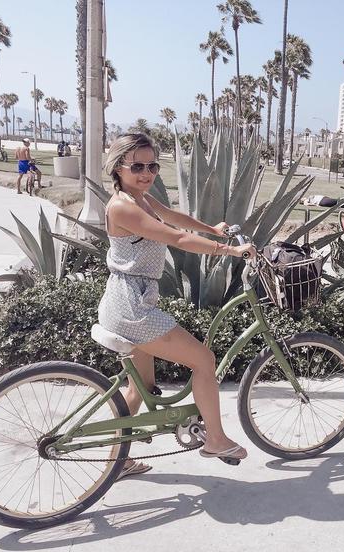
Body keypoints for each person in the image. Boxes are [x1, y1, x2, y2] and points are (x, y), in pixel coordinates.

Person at [99, 133, 255, 479]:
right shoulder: (124, 207)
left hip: (127, 299)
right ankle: (215, 439)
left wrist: (213, 230)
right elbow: (176, 238)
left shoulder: (139, 198)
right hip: (133, 309)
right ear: (118, 167)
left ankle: (116, 460)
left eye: (152, 165)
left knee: (137, 386)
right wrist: (229, 252)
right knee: (204, 360)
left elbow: (174, 218)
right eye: (136, 166)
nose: (146, 173)